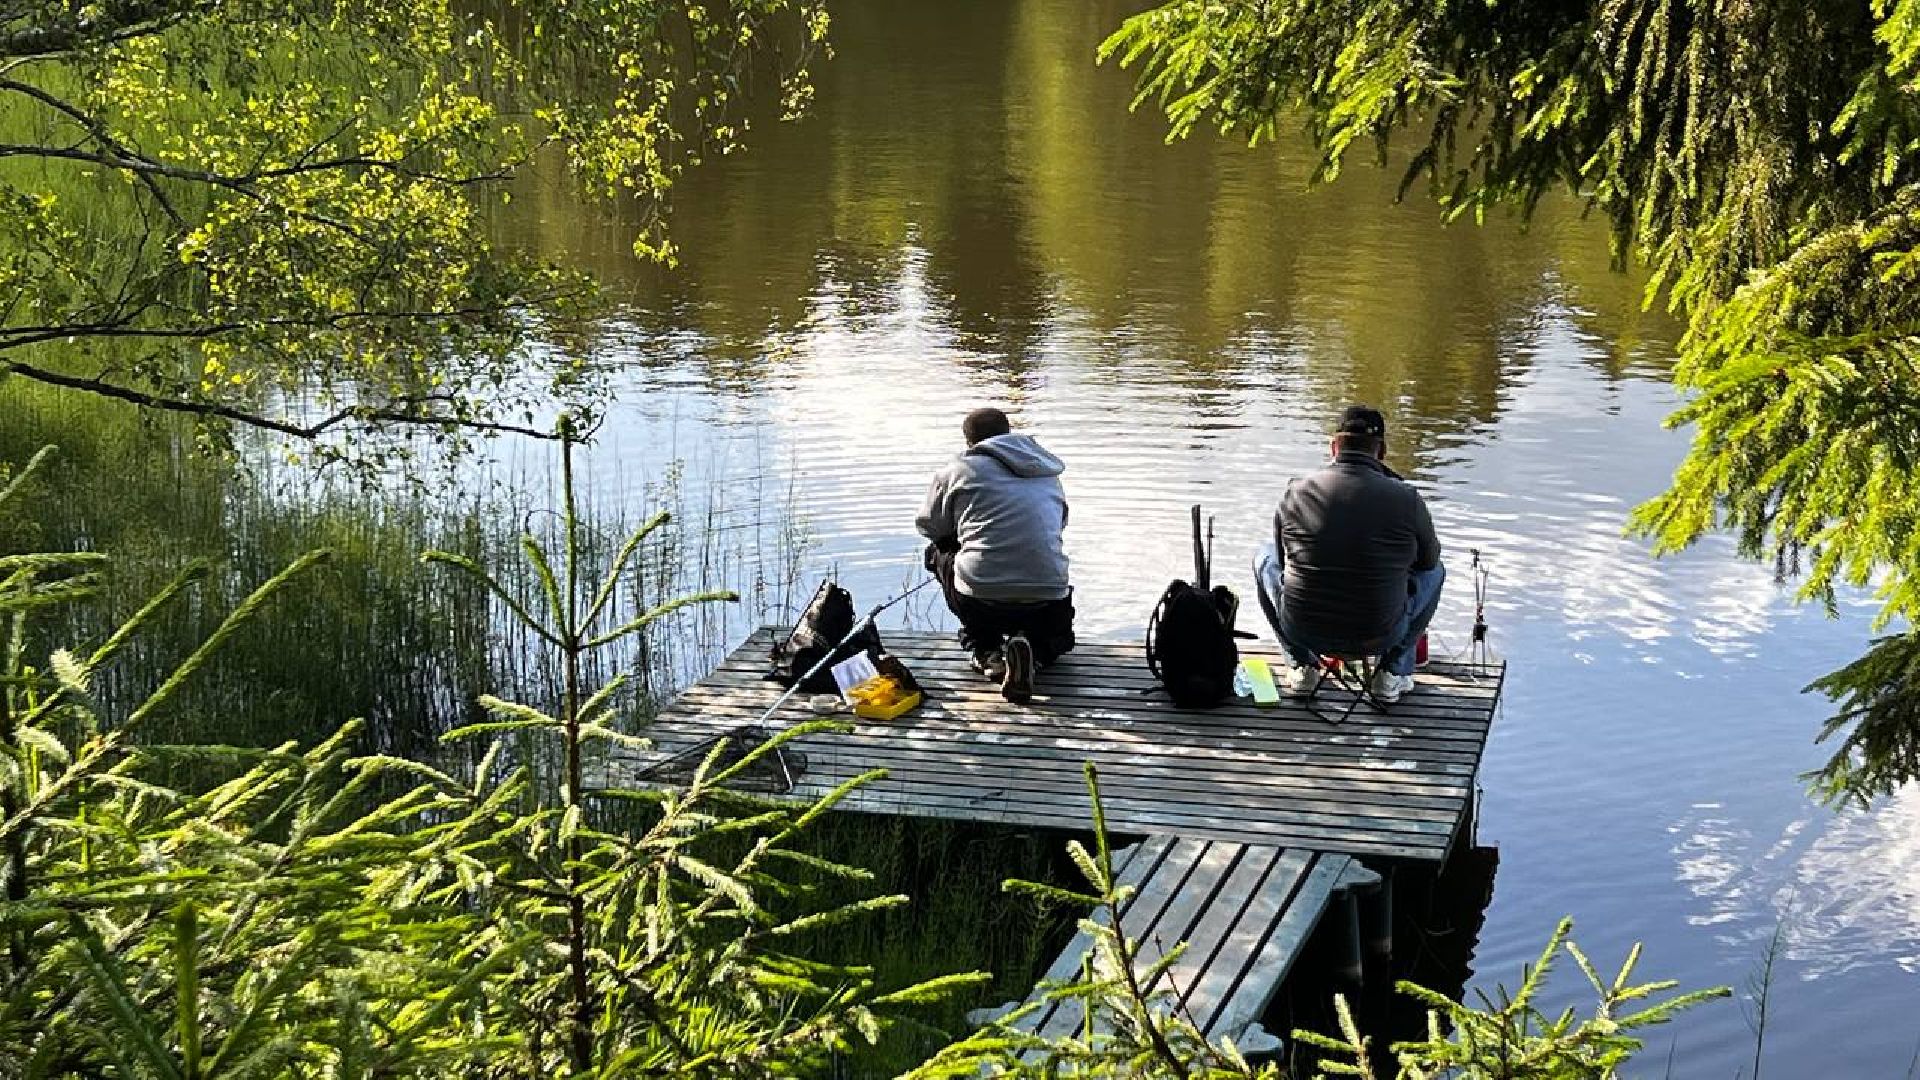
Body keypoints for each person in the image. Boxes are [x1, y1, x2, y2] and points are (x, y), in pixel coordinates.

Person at [1255, 405, 1444, 702]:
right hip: (1380, 635)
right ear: (1381, 451)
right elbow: (1428, 563)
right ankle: (1391, 673)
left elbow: (1281, 560)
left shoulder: (1296, 491)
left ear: (1334, 447)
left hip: (1304, 629)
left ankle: (1302, 665)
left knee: (1264, 559)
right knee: (1436, 572)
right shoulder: (1407, 498)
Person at [916, 407, 1074, 702]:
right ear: (1008, 432)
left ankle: (988, 651)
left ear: (969, 442)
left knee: (936, 552)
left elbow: (929, 527)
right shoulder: (1047, 471)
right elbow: (1059, 525)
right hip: (1049, 598)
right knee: (1042, 557)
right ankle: (1035, 654)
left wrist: (961, 536)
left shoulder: (957, 470)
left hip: (982, 599)